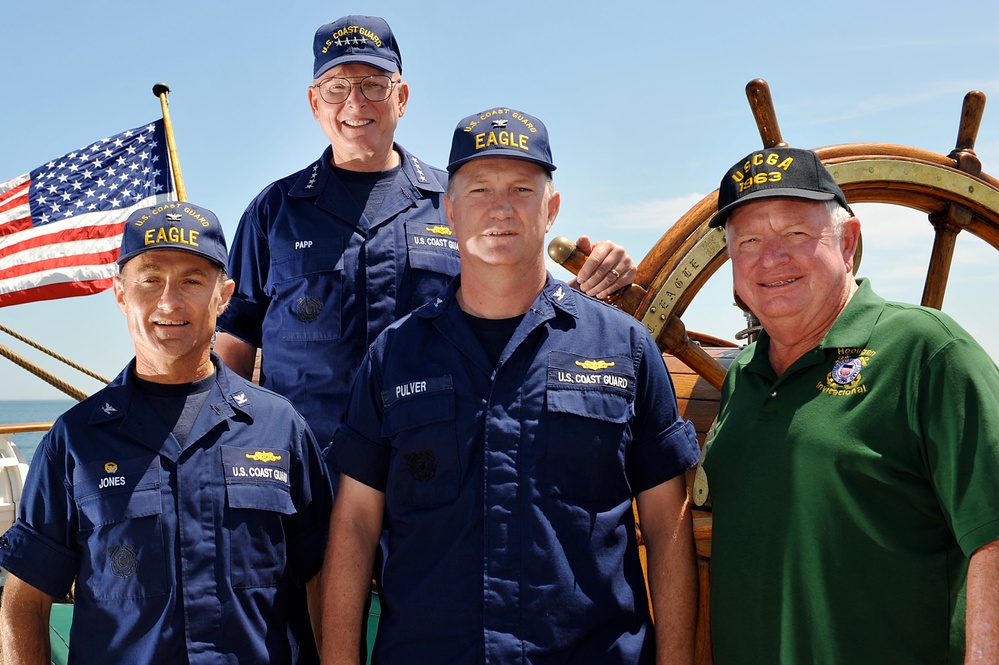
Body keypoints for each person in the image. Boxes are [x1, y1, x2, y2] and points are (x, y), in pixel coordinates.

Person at [321, 107, 701, 664]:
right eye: (478, 190)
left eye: (522, 188)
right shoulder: (394, 357)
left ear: (551, 209)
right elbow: (354, 525)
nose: (500, 208)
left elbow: (669, 524)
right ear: (449, 211)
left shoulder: (625, 348)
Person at [213, 15, 636, 451]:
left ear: (402, 97)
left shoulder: (456, 204)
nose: (355, 104)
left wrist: (598, 278)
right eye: (336, 87)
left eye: (374, 85)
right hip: (309, 472)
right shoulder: (274, 211)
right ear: (314, 103)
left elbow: (522, 301)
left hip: (438, 474)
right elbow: (235, 342)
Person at [701, 147, 999, 663]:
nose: (770, 259)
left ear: (848, 242)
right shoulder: (742, 378)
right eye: (747, 241)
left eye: (796, 233)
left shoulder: (927, 350)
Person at [0, 203, 332, 664]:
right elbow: (25, 600)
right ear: (120, 293)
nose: (169, 302)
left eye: (193, 281)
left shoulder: (280, 427)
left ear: (224, 296)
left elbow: (323, 581)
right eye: (149, 279)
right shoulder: (74, 441)